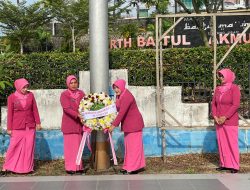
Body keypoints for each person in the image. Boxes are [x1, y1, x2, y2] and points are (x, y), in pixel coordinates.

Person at [0, 78, 41, 175]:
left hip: (30, 126)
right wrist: (9, 128)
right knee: (13, 146)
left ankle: (27, 168)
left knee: (28, 147)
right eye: (23, 87)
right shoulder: (11, 97)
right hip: (17, 126)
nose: (25, 89)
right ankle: (6, 167)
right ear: (18, 87)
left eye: (26, 87)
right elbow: (10, 114)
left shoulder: (31, 95)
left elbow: (35, 109)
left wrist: (38, 122)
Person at [109, 79, 145, 174]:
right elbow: (116, 108)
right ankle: (129, 165)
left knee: (134, 147)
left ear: (122, 86)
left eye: (117, 87)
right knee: (129, 147)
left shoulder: (127, 96)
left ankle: (133, 168)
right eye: (115, 88)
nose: (116, 90)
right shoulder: (120, 96)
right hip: (129, 125)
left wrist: (113, 125)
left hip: (134, 124)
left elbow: (121, 113)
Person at [211, 68, 241, 173]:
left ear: (228, 76)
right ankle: (224, 164)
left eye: (223, 75)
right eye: (219, 76)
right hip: (219, 121)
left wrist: (225, 117)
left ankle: (234, 165)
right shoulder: (218, 89)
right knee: (222, 143)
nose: (221, 78)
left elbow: (235, 104)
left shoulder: (234, 88)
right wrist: (215, 116)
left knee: (231, 143)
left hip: (230, 121)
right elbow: (213, 104)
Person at [60, 75, 85, 175]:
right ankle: (70, 167)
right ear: (68, 84)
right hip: (69, 124)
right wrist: (78, 115)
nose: (74, 85)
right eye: (71, 83)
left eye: (75, 82)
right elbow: (66, 109)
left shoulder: (81, 93)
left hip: (79, 124)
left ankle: (78, 167)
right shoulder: (64, 95)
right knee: (70, 148)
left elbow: (86, 105)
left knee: (79, 146)